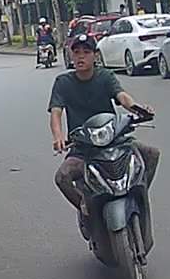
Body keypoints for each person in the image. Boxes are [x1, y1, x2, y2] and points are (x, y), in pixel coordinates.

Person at [49, 33, 160, 235]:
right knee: (62, 177)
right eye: (76, 52)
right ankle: (85, 208)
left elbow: (122, 97)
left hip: (115, 142)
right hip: (82, 149)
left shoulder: (105, 77)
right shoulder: (63, 82)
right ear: (71, 56)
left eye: (86, 52)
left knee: (152, 154)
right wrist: (58, 136)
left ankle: (139, 192)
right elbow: (56, 113)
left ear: (95, 55)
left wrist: (138, 108)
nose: (81, 56)